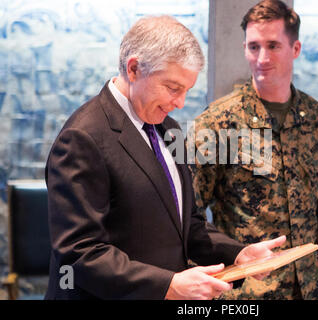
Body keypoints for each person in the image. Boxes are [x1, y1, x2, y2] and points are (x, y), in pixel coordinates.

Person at [44, 15, 286, 300]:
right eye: (173, 88)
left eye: (186, 90)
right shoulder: (83, 138)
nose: (180, 103)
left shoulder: (168, 129)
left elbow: (187, 224)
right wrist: (166, 285)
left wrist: (238, 253)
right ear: (133, 69)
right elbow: (80, 253)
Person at [190, 0, 318, 300]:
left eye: (273, 45)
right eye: (253, 46)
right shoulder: (217, 124)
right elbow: (188, 220)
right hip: (247, 295)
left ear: (295, 49)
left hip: (311, 291)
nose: (262, 58)